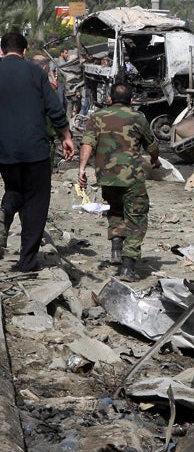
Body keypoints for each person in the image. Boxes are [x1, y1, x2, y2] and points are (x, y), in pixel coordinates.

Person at [0, 31, 75, 272]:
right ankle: (27, 262)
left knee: (14, 189)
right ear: (24, 52)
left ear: (2, 51)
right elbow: (55, 108)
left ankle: (5, 210)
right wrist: (66, 136)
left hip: (4, 151)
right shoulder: (36, 73)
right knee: (36, 201)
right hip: (36, 150)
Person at [78, 82, 159, 282]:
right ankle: (128, 267)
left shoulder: (96, 117)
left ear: (110, 99)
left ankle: (116, 246)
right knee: (137, 219)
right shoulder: (138, 118)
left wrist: (81, 169)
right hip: (132, 179)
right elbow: (152, 145)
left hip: (106, 178)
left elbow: (87, 143)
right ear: (131, 100)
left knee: (115, 210)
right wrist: (155, 159)